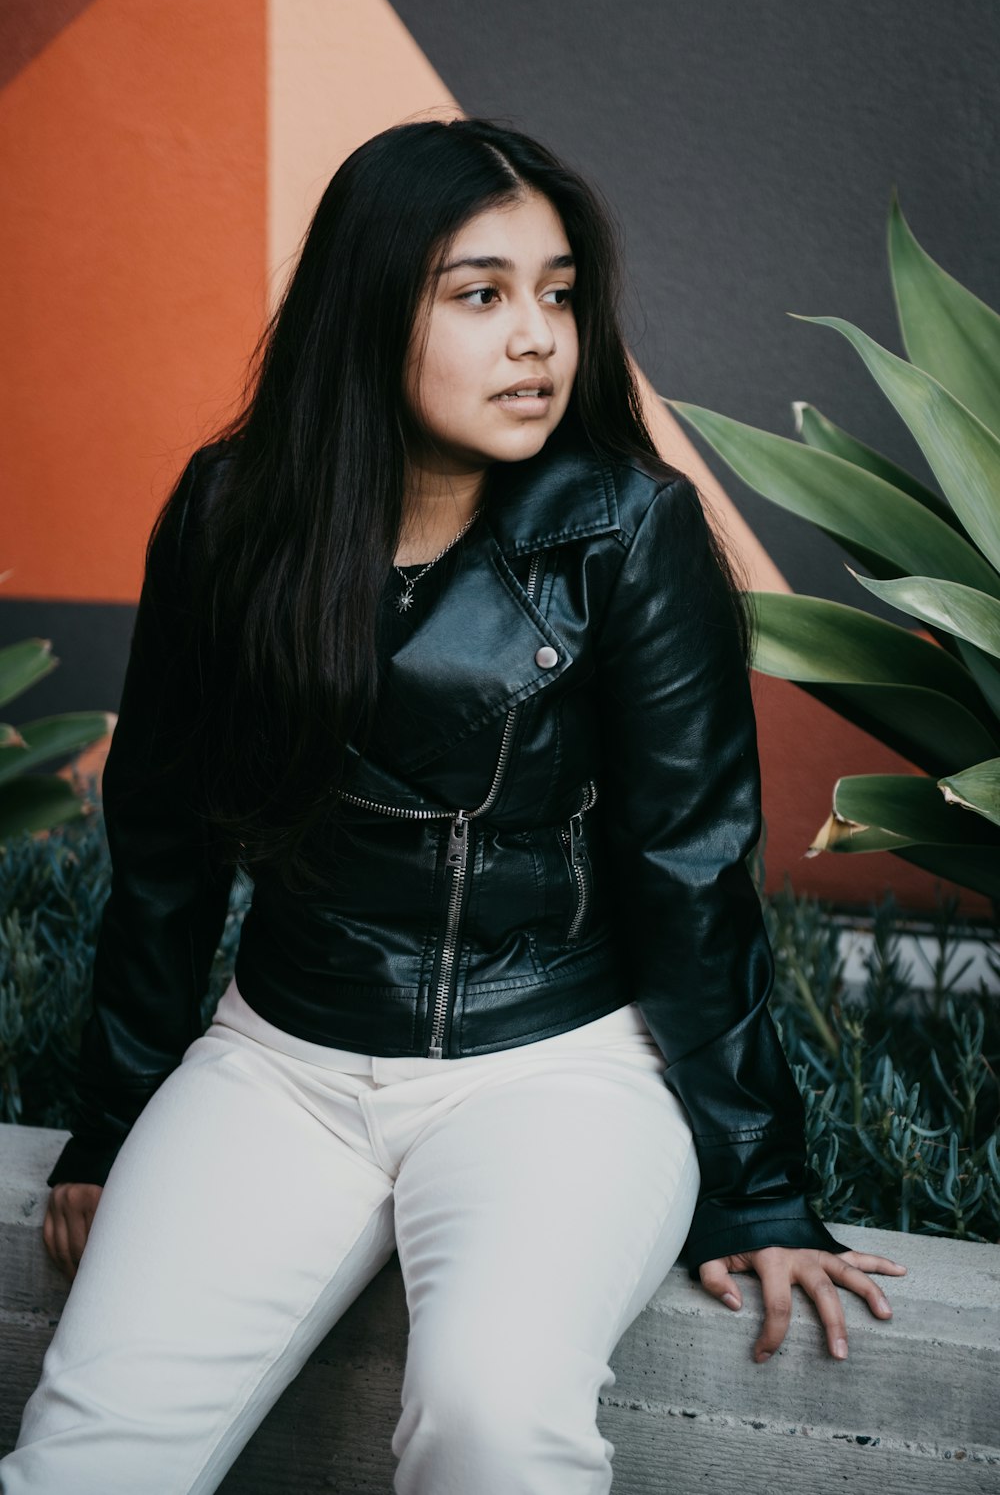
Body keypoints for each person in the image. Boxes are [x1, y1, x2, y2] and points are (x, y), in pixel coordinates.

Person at [0, 115, 904, 1495]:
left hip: (557, 1071)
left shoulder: (626, 524)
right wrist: (118, 1114)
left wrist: (760, 1183)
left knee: (492, 1424)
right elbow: (166, 836)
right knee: (84, 1462)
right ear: (368, 308)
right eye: (480, 294)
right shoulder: (230, 513)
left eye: (558, 293)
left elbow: (691, 862)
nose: (539, 338)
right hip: (280, 1066)